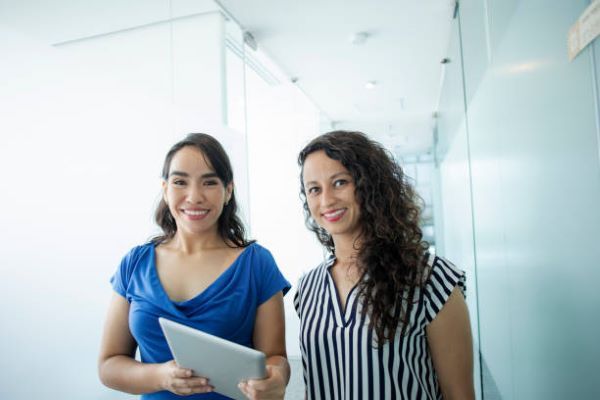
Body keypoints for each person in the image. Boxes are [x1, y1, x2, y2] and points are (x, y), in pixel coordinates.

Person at [98, 133, 291, 400]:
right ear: (165, 190)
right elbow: (109, 365)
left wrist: (276, 377)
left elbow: (275, 357)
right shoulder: (135, 264)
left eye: (209, 182)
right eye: (180, 182)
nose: (194, 196)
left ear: (228, 191)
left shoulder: (257, 263)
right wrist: (161, 377)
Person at [294, 130, 475, 400]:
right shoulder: (308, 288)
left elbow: (459, 394)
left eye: (340, 182)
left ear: (370, 185)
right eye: (314, 189)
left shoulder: (432, 279)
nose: (326, 200)